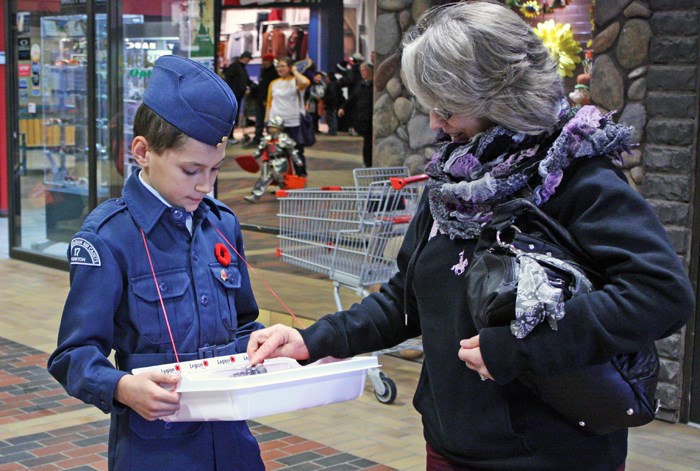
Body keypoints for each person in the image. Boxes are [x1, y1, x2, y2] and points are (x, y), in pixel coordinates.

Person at [246, 2, 694, 470]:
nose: (436, 125)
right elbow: (406, 300)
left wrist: (523, 346)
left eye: (447, 108)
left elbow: (659, 293)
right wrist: (313, 340)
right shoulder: (453, 181)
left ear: (499, 97)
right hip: (449, 446)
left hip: (551, 455)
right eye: (430, 107)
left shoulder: (575, 176)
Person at [48, 55, 265, 470]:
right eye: (191, 170)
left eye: (215, 170)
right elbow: (73, 354)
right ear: (143, 152)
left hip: (233, 445)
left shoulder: (221, 224)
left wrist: (272, 347)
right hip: (157, 452)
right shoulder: (109, 238)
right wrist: (121, 387)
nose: (205, 185)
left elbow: (242, 324)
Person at [265, 56, 311, 177]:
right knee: (278, 153)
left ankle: (301, 175)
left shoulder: (296, 81)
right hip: (276, 124)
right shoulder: (273, 83)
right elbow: (269, 103)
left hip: (293, 122)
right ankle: (282, 179)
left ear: (289, 67)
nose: (279, 68)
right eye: (278, 66)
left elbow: (306, 82)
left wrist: (295, 71)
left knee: (296, 150)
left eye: (283, 66)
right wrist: (267, 121)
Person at [244, 115, 303, 203]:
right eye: (270, 127)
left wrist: (297, 160)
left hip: (281, 162)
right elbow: (259, 150)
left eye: (274, 128)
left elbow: (292, 151)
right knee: (264, 179)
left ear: (279, 128)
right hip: (268, 163)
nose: (271, 130)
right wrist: (253, 156)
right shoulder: (266, 139)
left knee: (282, 181)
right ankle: (256, 196)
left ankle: (290, 196)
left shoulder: (284, 139)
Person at [339, 62, 373, 167]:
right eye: (361, 71)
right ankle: (367, 162)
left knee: (369, 141)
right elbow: (352, 99)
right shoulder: (360, 85)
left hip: (372, 116)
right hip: (363, 116)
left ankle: (369, 161)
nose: (363, 73)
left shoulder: (375, 85)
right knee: (367, 141)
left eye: (365, 71)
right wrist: (343, 107)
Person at [223, 51, 254, 144]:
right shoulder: (235, 67)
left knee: (234, 116)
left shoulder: (241, 68)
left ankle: (230, 136)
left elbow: (246, 80)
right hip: (233, 95)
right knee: (231, 116)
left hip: (238, 95)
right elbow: (228, 79)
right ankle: (229, 137)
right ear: (245, 58)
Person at [249, 53, 279, 148]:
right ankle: (258, 137)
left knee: (268, 120)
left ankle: (271, 138)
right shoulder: (263, 71)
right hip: (260, 100)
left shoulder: (274, 73)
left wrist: (266, 99)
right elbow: (262, 87)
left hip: (268, 101)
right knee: (259, 120)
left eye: (265, 61)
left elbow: (270, 88)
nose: (263, 62)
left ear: (269, 61)